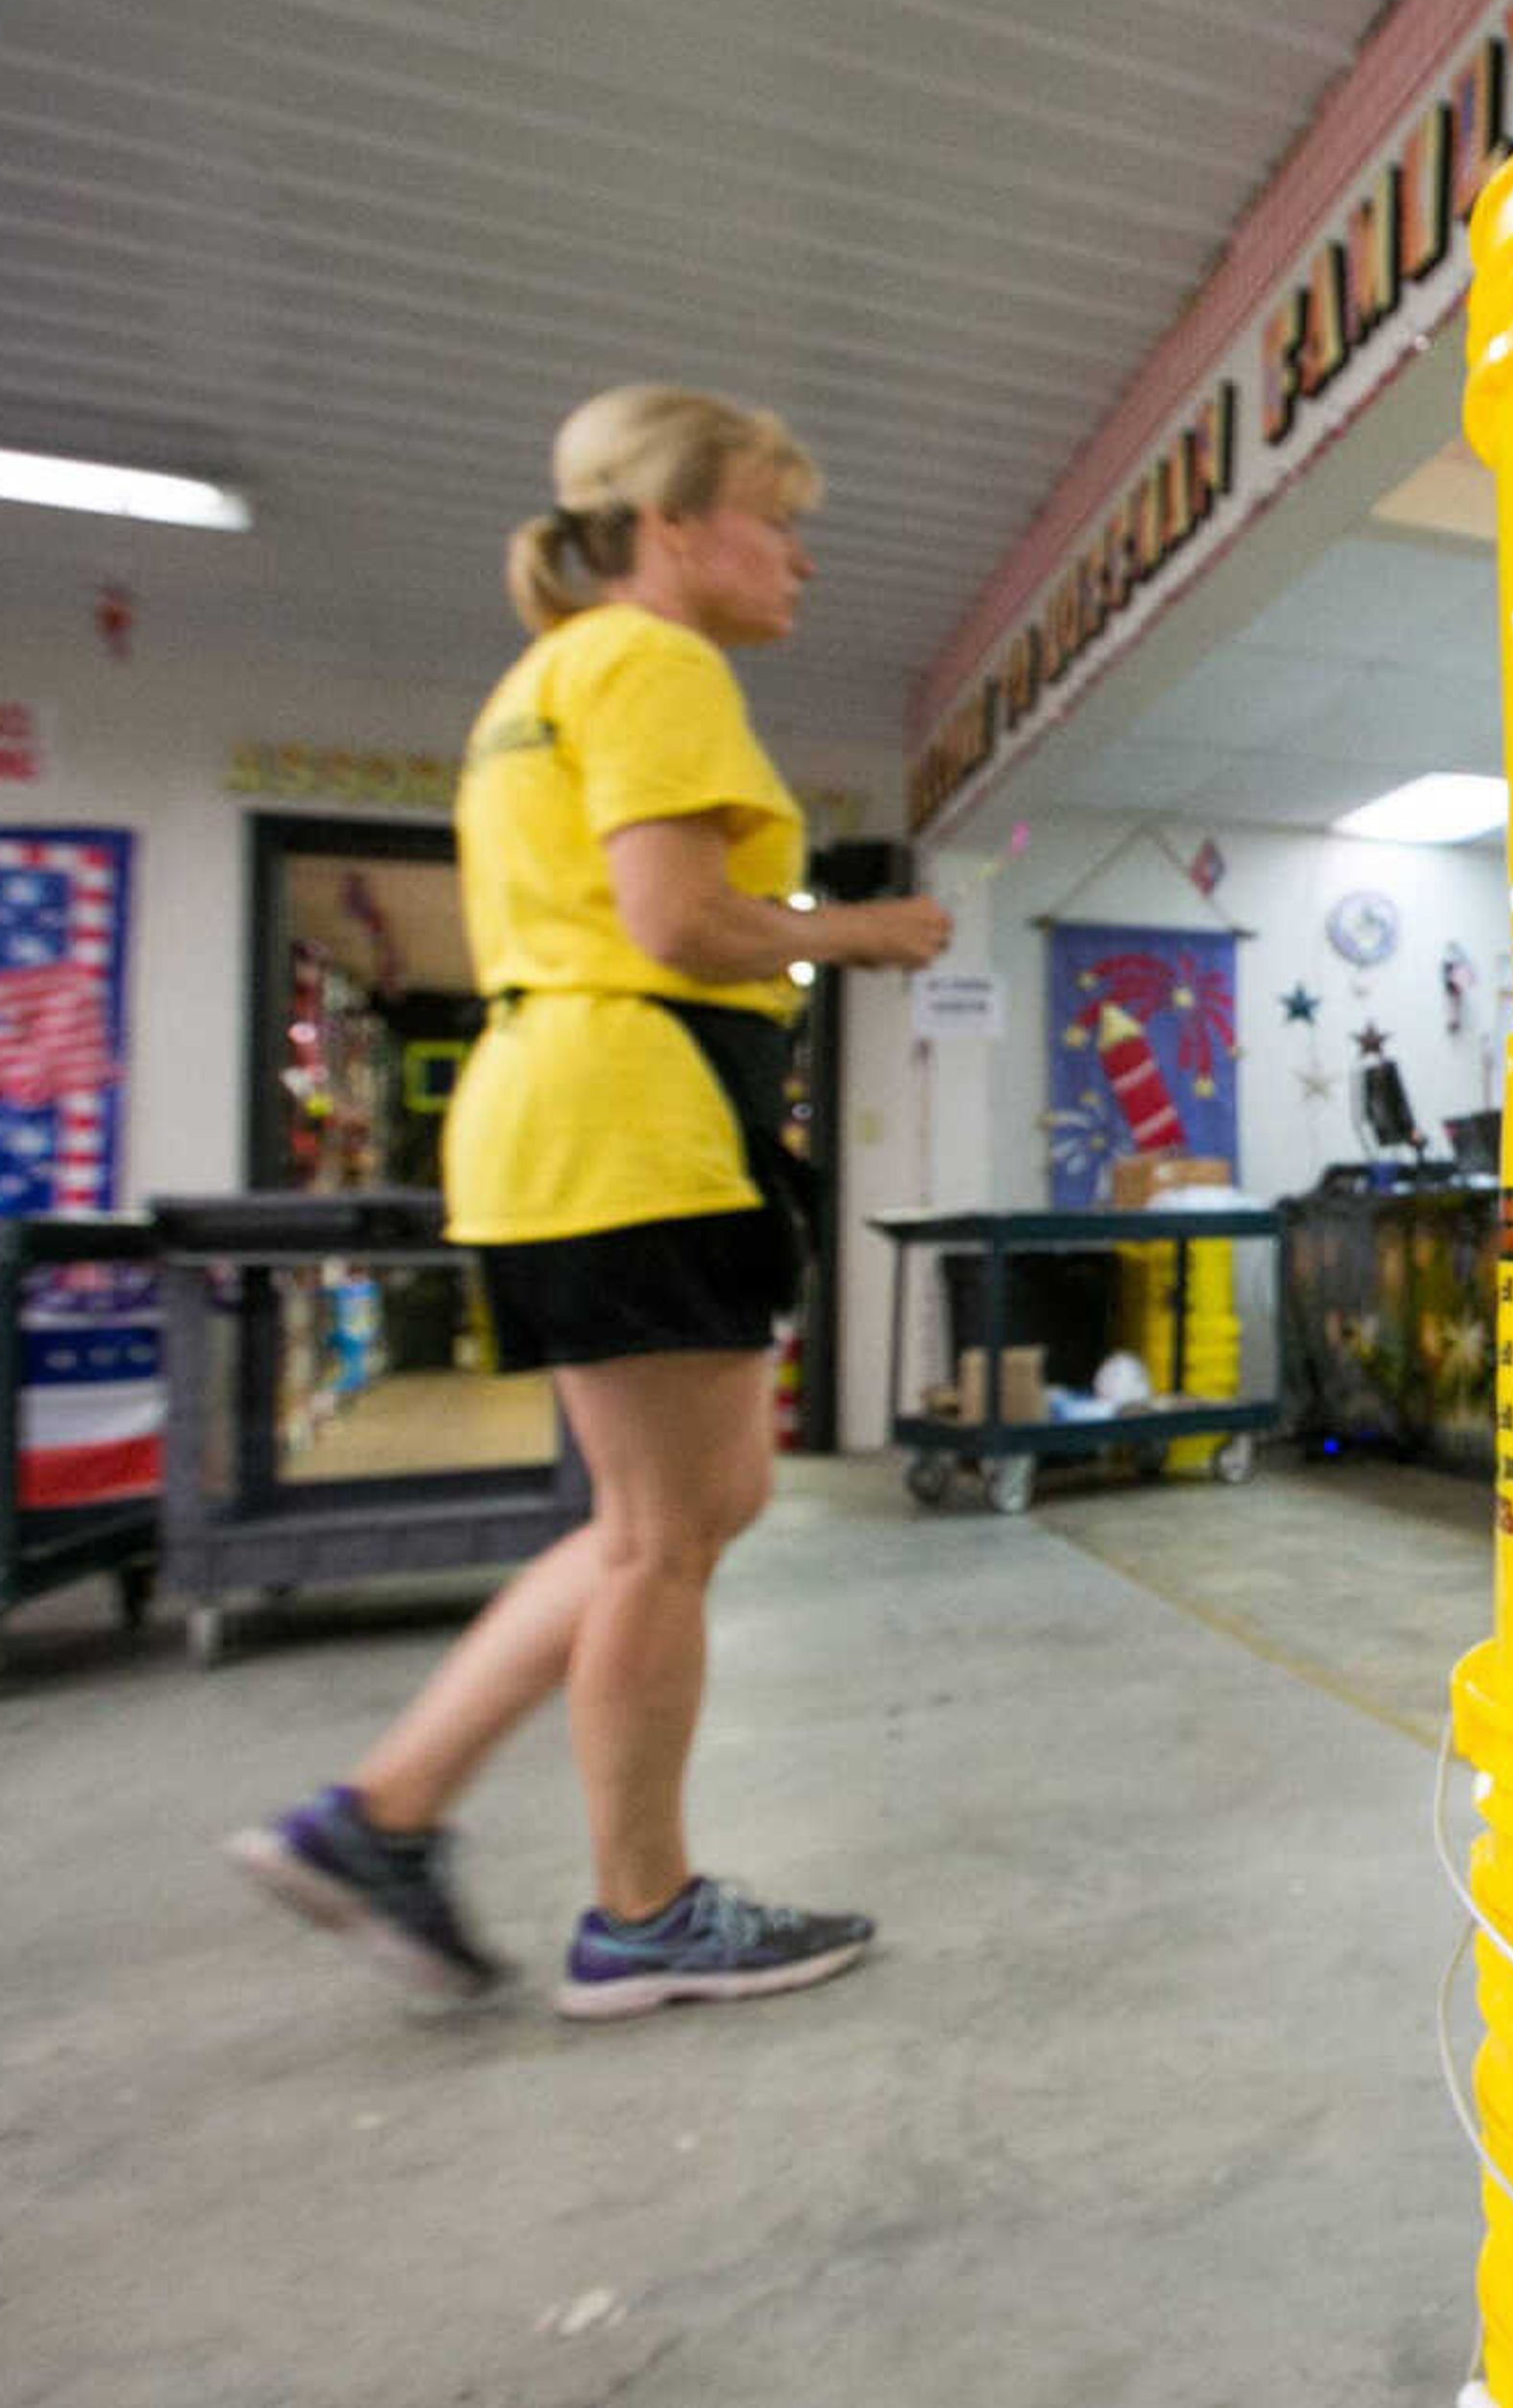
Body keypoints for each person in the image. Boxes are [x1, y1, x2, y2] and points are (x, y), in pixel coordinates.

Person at [229, 385, 951, 2018]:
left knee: (680, 1514)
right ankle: (636, 1910)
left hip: (557, 1120)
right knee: (664, 1534)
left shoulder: (540, 681)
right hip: (637, 1122)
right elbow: (680, 916)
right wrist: (862, 929)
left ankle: (385, 1815)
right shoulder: (653, 659)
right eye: (779, 518)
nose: (802, 561)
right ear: (673, 528)